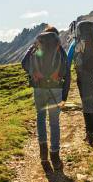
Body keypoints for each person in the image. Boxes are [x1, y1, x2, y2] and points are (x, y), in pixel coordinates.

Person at [21, 26, 69, 170]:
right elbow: (66, 69)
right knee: (54, 122)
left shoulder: (37, 45)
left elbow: (24, 63)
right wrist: (64, 95)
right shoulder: (58, 47)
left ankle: (43, 154)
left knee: (40, 117)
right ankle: (55, 155)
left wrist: (34, 72)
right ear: (56, 35)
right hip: (55, 88)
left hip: (39, 88)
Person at [67, 21, 93, 145]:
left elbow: (68, 60)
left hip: (82, 77)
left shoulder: (75, 43)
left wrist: (66, 75)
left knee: (86, 103)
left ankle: (88, 131)